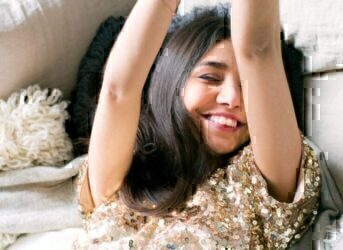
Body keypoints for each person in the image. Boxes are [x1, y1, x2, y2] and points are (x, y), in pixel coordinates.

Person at [74, 0, 321, 249]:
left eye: (247, 86)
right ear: (173, 84)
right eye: (210, 78)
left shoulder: (263, 188)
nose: (232, 99)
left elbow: (258, 49)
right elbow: (118, 91)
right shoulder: (124, 177)